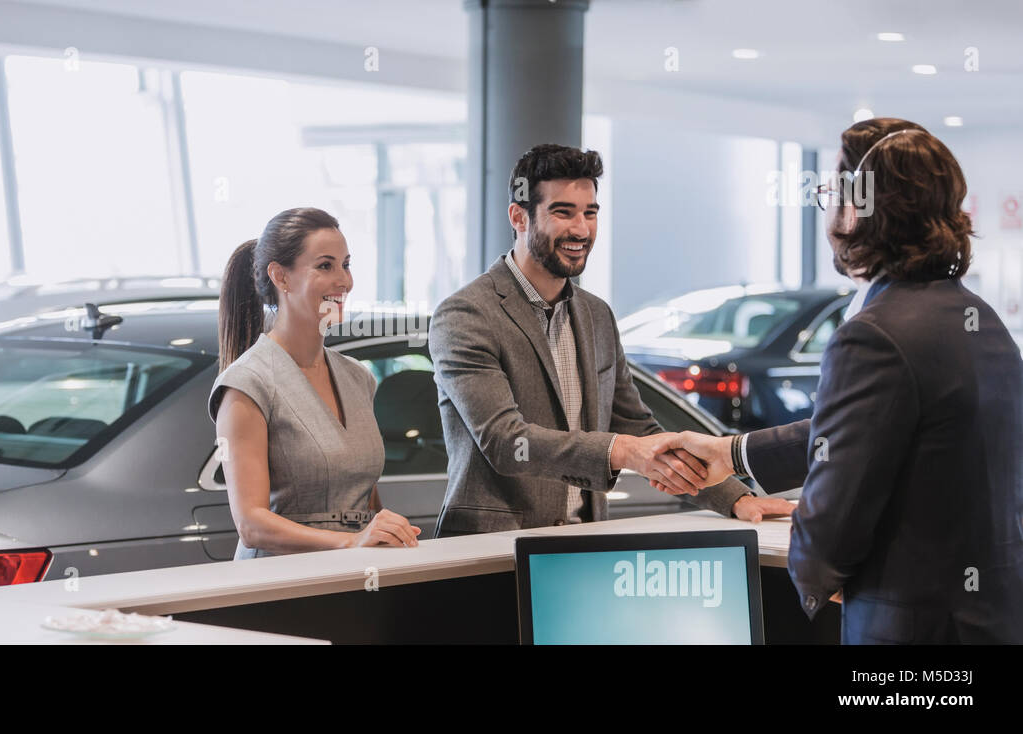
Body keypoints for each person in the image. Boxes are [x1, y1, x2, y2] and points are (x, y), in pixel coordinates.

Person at [652, 118, 1023, 643]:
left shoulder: (874, 334)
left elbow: (832, 530)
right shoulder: (982, 321)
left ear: (859, 208)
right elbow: (883, 432)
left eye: (830, 192)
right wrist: (732, 453)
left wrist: (816, 571)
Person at [429, 143, 793, 537]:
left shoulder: (595, 314)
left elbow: (638, 428)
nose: (581, 230)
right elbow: (504, 441)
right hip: (487, 555)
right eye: (562, 212)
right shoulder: (467, 314)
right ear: (519, 216)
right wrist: (622, 451)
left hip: (583, 546)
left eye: (590, 213)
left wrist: (736, 499)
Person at [210, 207, 421, 559]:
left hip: (352, 578)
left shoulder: (358, 377)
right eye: (325, 266)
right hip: (282, 586)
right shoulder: (246, 383)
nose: (344, 281)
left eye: (346, 265)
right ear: (280, 276)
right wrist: (350, 541)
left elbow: (366, 501)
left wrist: (384, 532)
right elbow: (251, 525)